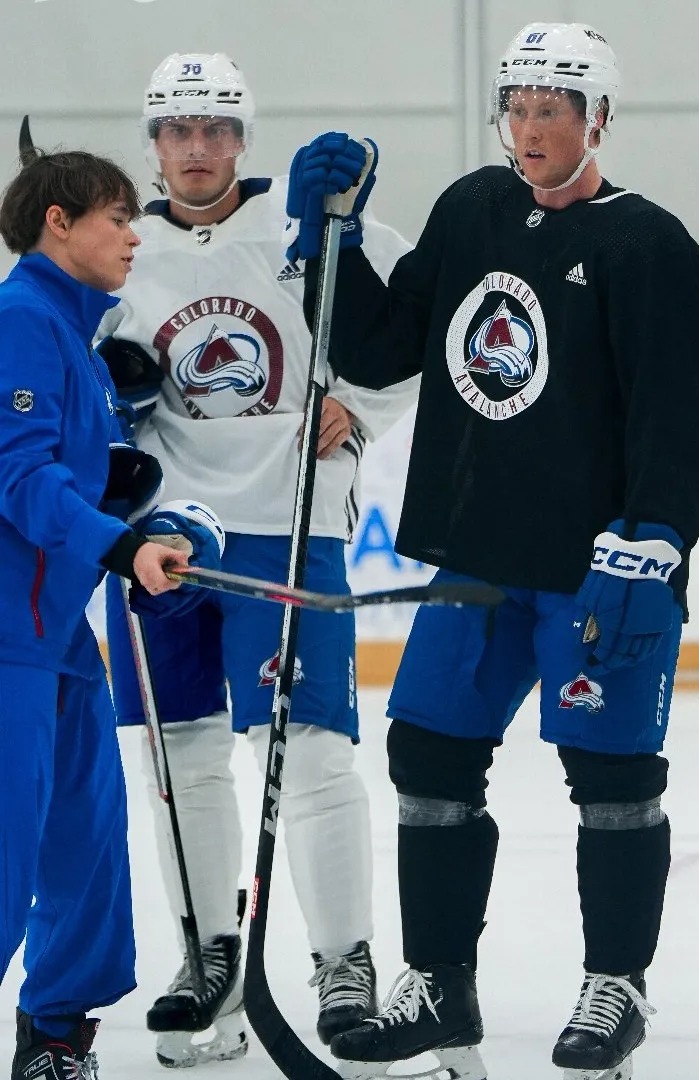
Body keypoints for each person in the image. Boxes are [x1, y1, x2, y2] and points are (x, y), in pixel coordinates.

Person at [284, 21, 699, 1080]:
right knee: (428, 756)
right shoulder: (472, 207)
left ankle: (614, 983)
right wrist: (329, 239)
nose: (528, 129)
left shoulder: (648, 245)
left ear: (598, 119)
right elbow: (384, 343)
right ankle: (440, 986)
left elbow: (684, 415)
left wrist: (658, 538)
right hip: (478, 555)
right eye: (517, 107)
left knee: (613, 776)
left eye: (552, 110)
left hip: (598, 568)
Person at [98, 52, 417, 1068]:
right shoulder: (122, 250)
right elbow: (69, 371)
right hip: (161, 537)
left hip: (292, 520)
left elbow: (406, 334)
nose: (198, 148)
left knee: (314, 753)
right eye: (178, 130)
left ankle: (342, 961)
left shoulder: (309, 226)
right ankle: (210, 957)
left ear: (244, 137)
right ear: (152, 142)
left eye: (217, 128)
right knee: (179, 753)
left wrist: (357, 404)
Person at [0, 142, 197, 1079]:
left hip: (56, 638)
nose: (133, 233)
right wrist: (118, 543)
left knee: (83, 843)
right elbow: (18, 477)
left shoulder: (69, 335)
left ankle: (55, 1033)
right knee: (6, 852)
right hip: (6, 639)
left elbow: (70, 472)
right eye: (117, 216)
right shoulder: (22, 320)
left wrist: (124, 494)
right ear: (58, 224)